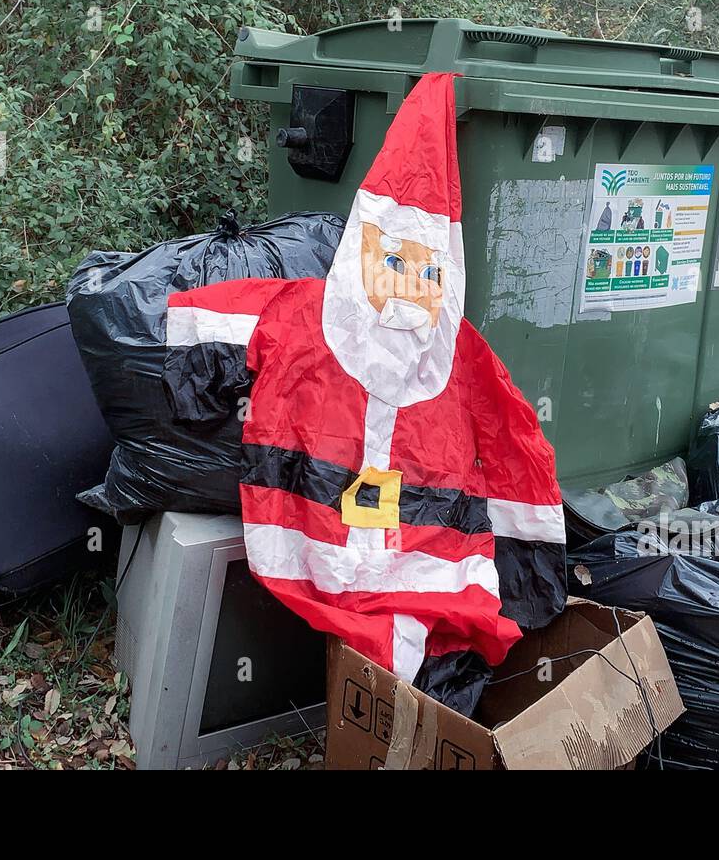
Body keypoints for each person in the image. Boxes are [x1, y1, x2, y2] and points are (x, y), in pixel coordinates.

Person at [163, 74, 566, 712]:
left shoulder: (463, 356)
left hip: (425, 562)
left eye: (426, 272)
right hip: (308, 541)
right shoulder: (303, 316)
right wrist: (197, 394)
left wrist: (528, 563)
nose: (407, 286)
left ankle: (403, 707)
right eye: (393, 264)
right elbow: (204, 323)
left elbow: (516, 443)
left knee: (438, 638)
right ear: (363, 254)